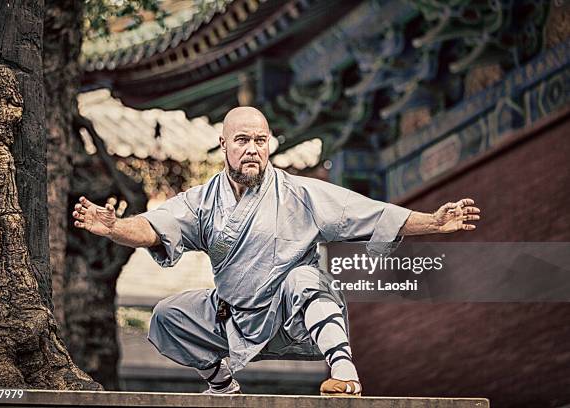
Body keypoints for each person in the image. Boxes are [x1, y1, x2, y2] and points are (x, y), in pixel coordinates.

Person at [72, 106, 480, 396]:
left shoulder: (299, 193)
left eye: (260, 140)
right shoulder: (201, 201)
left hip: (295, 320)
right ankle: (222, 385)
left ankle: (345, 372)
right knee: (167, 316)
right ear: (224, 144)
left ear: (270, 146)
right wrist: (114, 228)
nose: (252, 149)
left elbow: (369, 214)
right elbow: (153, 227)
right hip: (233, 322)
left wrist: (433, 221)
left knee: (306, 276)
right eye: (243, 140)